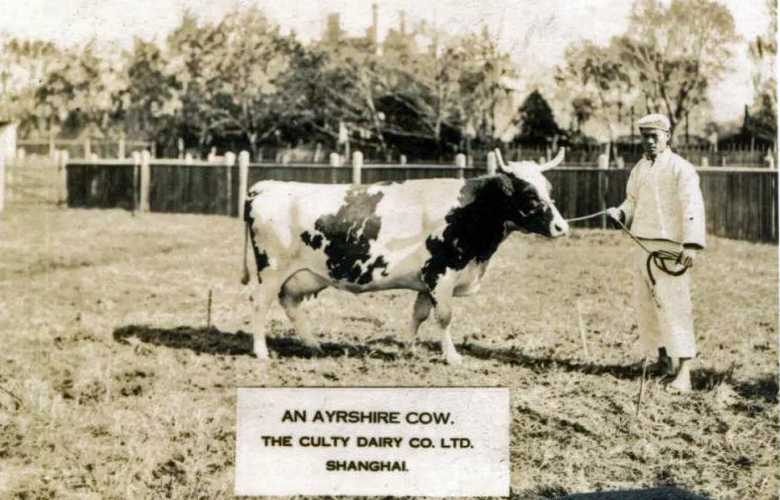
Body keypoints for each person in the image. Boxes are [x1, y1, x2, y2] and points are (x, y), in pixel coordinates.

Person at [606, 113, 706, 393]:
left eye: (655, 136)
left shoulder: (681, 169)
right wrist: (620, 212)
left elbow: (693, 207)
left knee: (674, 306)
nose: (649, 142)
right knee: (647, 305)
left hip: (670, 248)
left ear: (667, 137)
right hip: (642, 243)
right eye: (645, 136)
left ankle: (684, 372)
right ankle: (663, 362)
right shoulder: (639, 168)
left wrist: (691, 245)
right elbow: (632, 200)